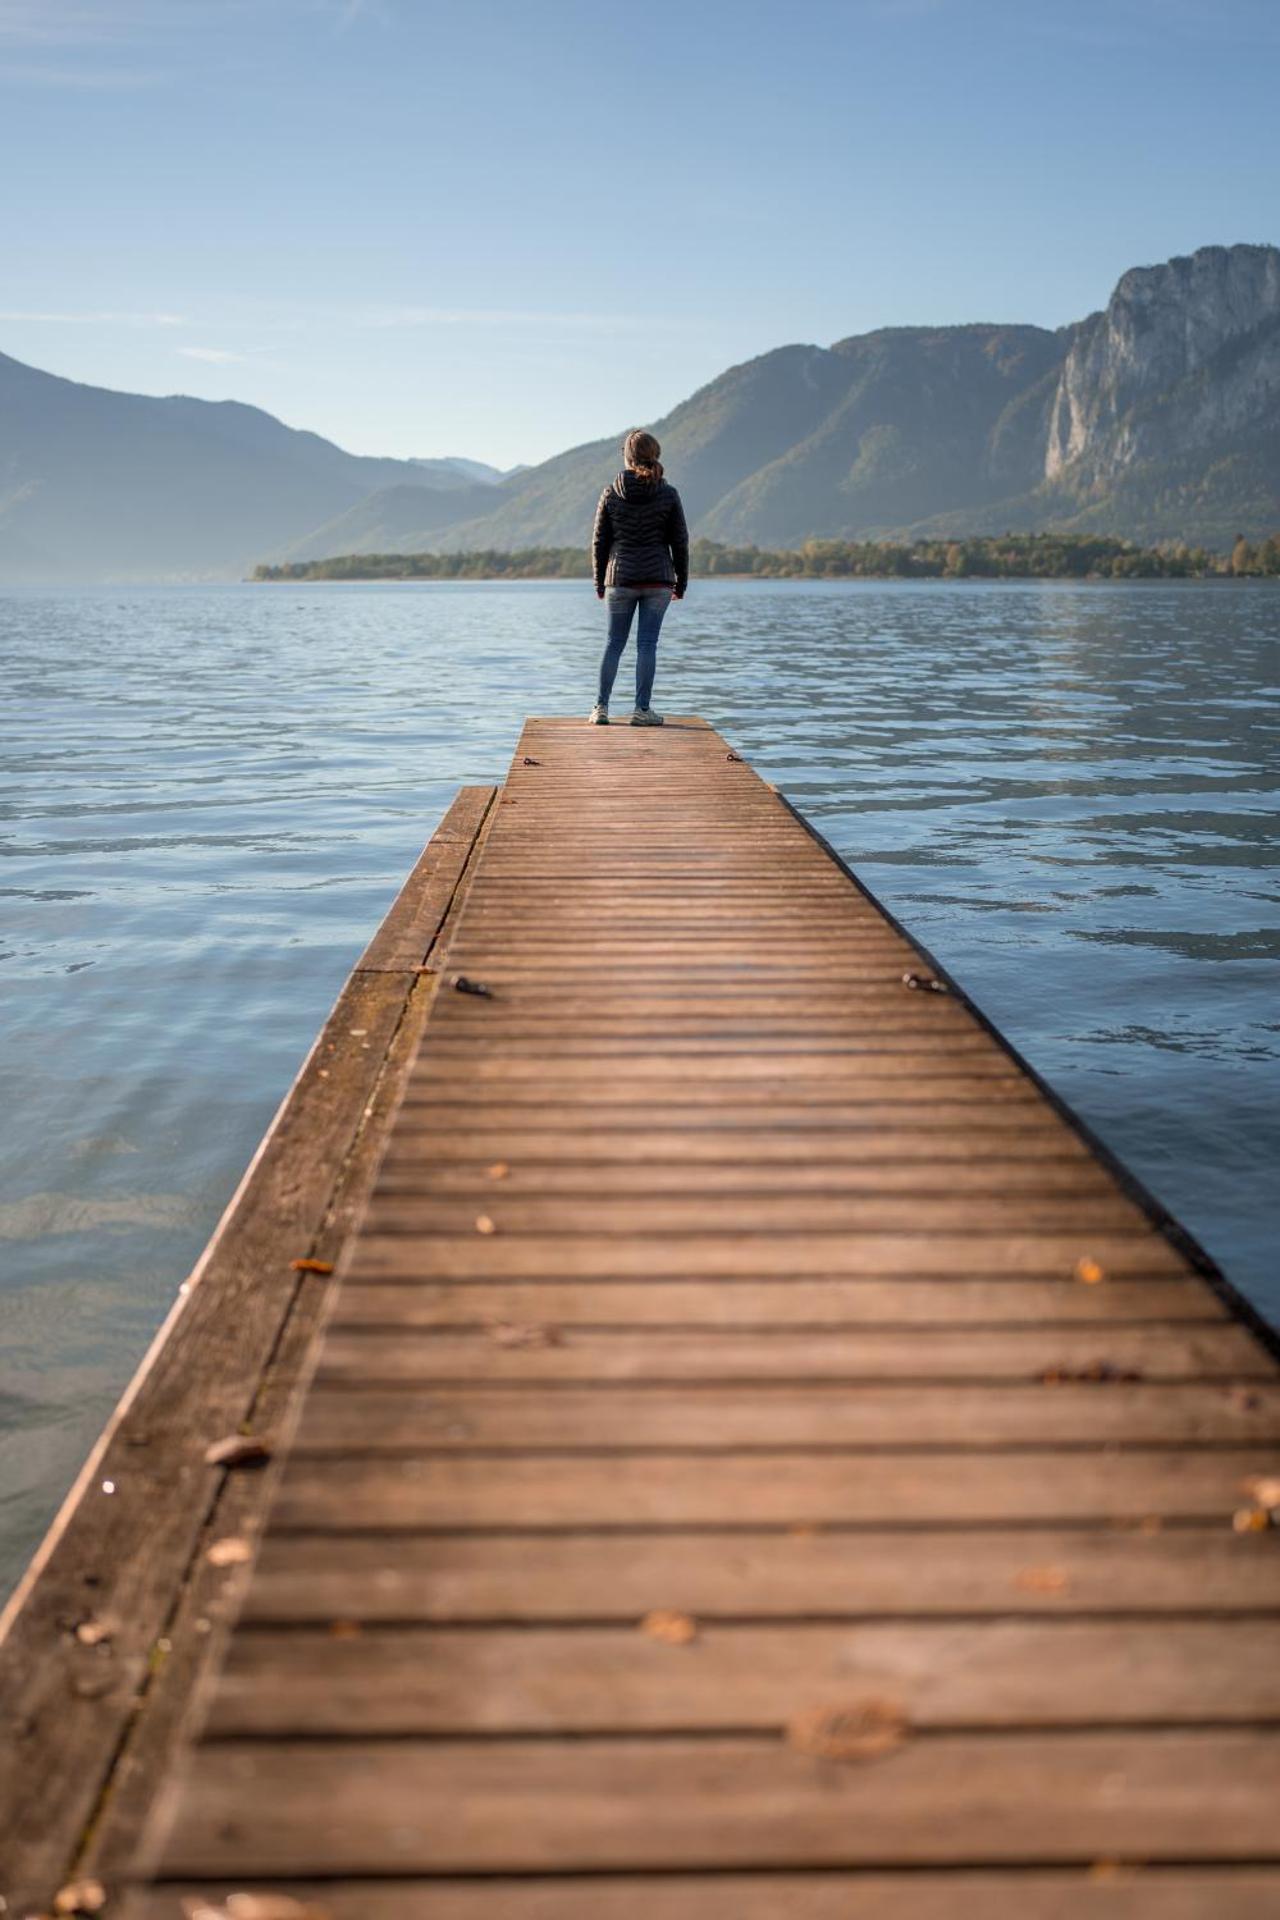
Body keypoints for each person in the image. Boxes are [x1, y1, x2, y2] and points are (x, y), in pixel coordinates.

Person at [589, 429, 689, 726]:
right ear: (654, 455)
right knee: (647, 645)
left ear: (627, 457)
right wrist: (681, 582)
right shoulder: (668, 494)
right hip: (658, 579)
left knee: (613, 643)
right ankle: (642, 711)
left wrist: (598, 582)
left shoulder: (610, 492)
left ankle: (600, 709)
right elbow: (680, 541)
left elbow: (599, 542)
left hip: (619, 579)